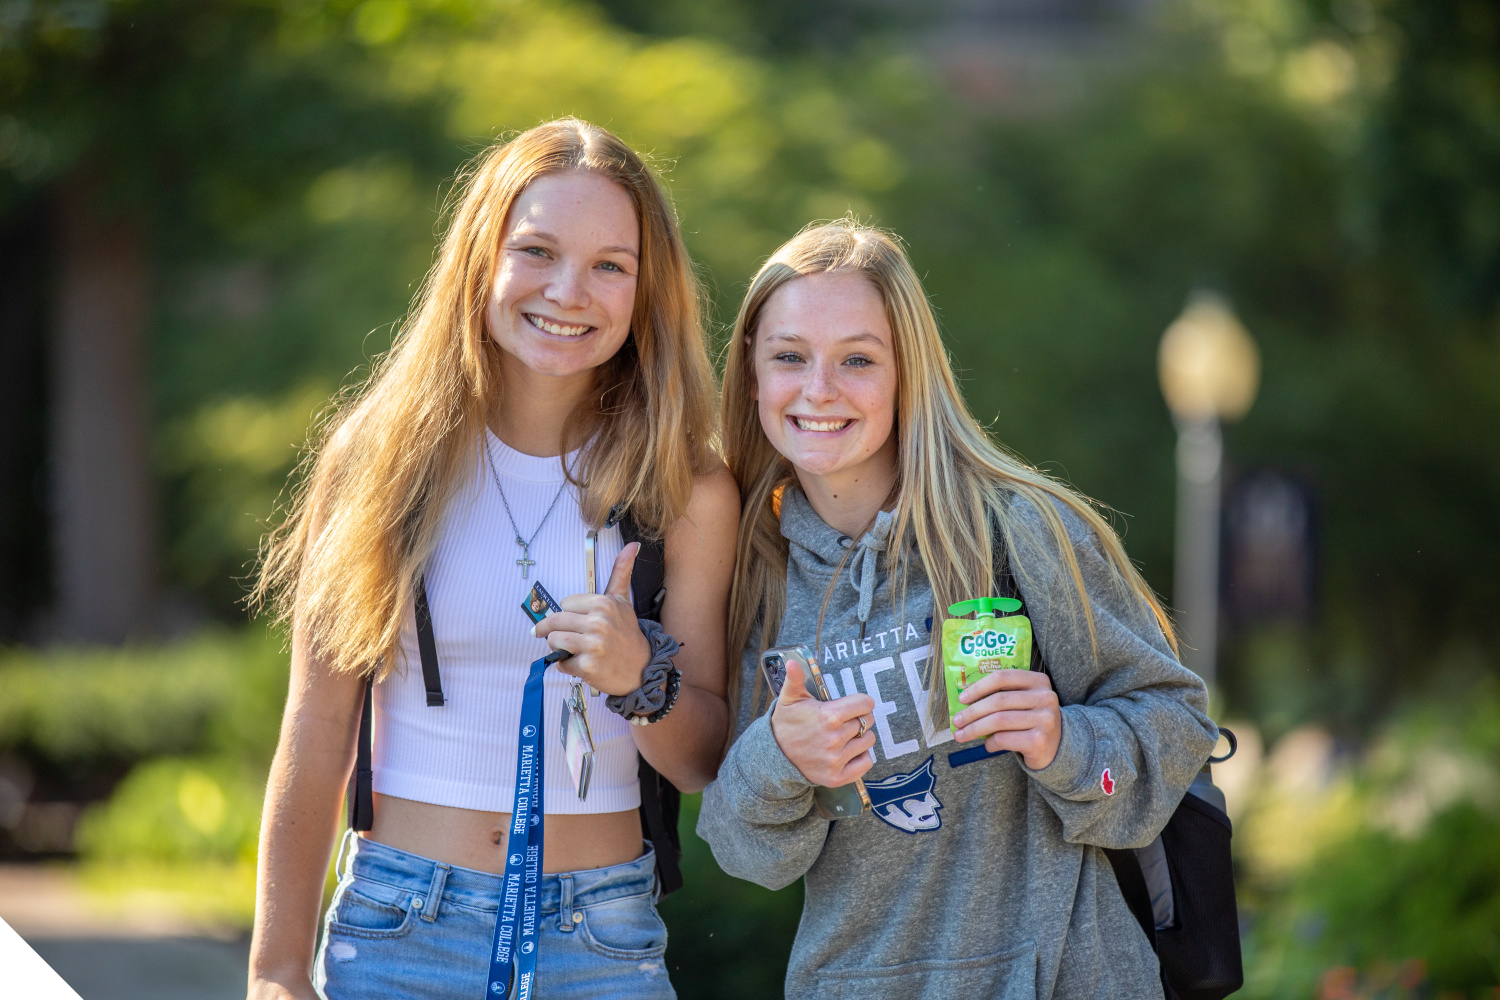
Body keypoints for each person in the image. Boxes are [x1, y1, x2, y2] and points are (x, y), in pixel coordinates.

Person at [247, 119, 738, 1000]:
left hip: (605, 941)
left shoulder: (687, 488)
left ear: (646, 290)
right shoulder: (382, 460)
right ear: (482, 261)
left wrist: (641, 677)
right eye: (537, 251)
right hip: (399, 933)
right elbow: (316, 732)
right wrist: (276, 972)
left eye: (609, 265)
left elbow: (702, 760)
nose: (568, 290)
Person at [699, 219, 1218, 999]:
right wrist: (779, 758)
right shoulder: (756, 572)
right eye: (789, 357)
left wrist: (1062, 744)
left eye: (858, 360)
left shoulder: (1021, 532)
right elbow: (746, 854)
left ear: (910, 373)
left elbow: (1177, 731)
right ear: (751, 376)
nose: (819, 389)